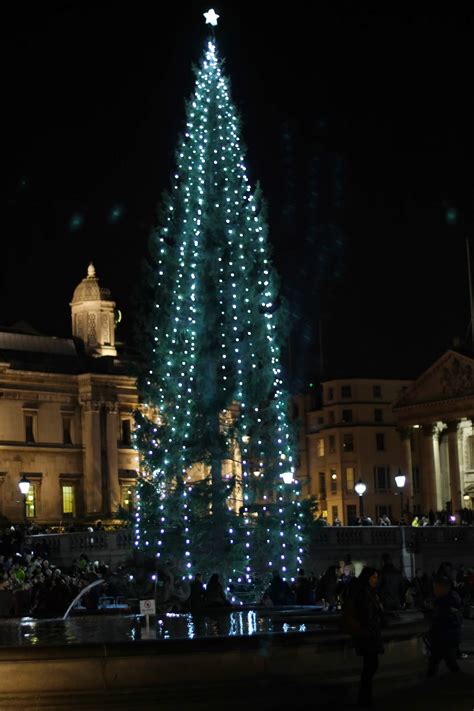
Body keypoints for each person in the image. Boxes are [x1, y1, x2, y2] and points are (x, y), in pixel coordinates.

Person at [342, 567, 384, 708]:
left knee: (370, 666)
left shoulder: (366, 591)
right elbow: (366, 613)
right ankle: (364, 699)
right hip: (367, 634)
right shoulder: (364, 592)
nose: (376, 580)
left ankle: (365, 698)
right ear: (367, 578)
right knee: (370, 666)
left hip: (368, 633)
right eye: (374, 577)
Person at [426, 575, 463, 677]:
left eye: (435, 588)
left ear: (442, 588)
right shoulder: (448, 599)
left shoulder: (446, 601)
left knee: (447, 662)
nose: (434, 591)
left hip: (446, 637)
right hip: (445, 636)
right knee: (436, 661)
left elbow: (445, 619)